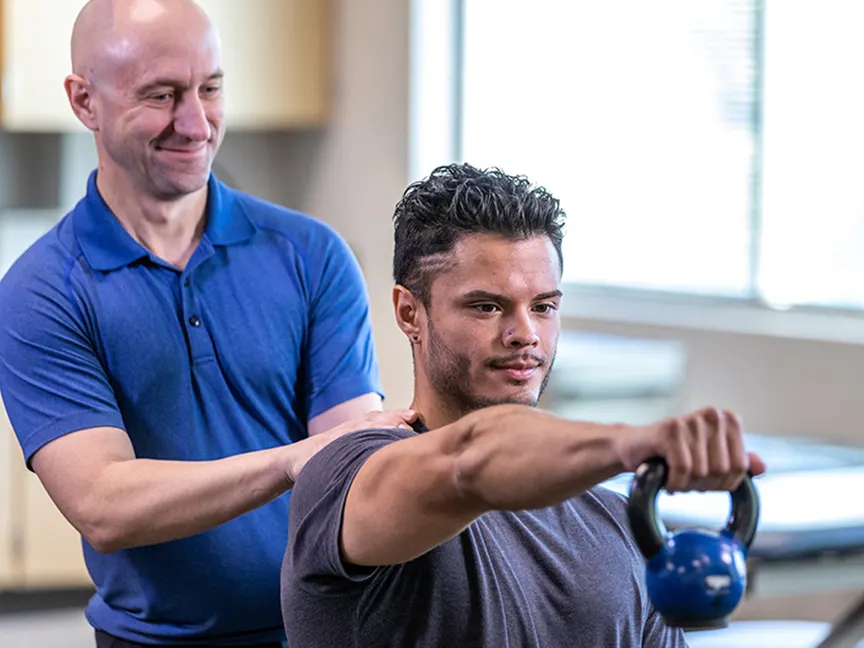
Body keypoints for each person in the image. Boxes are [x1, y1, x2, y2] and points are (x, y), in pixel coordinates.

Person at [0, 0, 415, 646]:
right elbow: (104, 504)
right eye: (161, 95)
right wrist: (287, 464)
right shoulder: (42, 292)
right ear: (85, 102)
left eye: (210, 88)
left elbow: (344, 469)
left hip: (321, 631)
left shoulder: (311, 255)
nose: (195, 122)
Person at [281, 163, 768, 647]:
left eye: (543, 307)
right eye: (487, 307)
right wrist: (634, 443)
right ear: (410, 313)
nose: (525, 335)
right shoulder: (345, 476)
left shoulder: (616, 524)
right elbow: (470, 460)